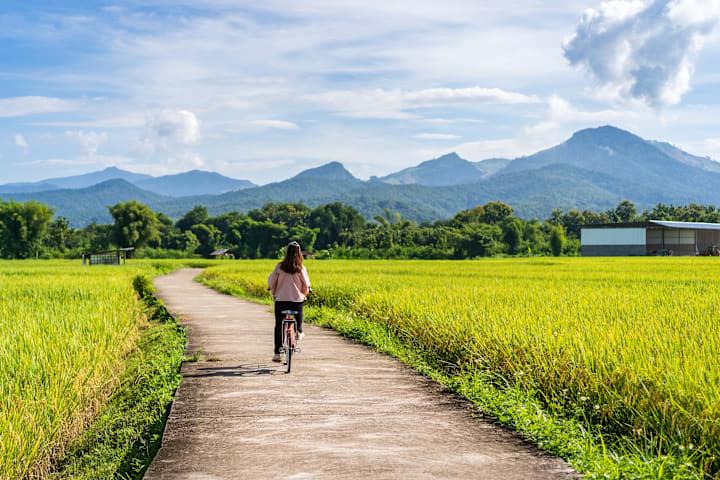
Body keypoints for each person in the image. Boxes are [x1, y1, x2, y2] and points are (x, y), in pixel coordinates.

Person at [267, 241, 311, 362]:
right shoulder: (300, 268)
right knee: (299, 308)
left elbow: (271, 282)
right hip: (296, 302)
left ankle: (277, 353)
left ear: (287, 252)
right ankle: (299, 330)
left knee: (278, 325)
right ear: (299, 253)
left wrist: (271, 289)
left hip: (281, 301)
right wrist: (304, 293)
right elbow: (306, 285)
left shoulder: (279, 267)